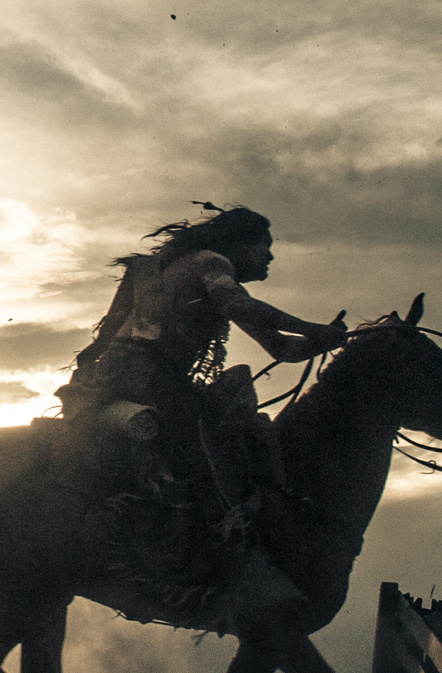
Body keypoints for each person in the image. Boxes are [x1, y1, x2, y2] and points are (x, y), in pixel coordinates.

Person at [59, 204, 346, 536]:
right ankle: (220, 528)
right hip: (152, 377)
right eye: (264, 245)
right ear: (239, 244)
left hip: (119, 376)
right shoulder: (211, 262)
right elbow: (238, 305)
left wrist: (323, 341)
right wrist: (313, 328)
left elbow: (282, 349)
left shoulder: (184, 274)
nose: (269, 257)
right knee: (214, 445)